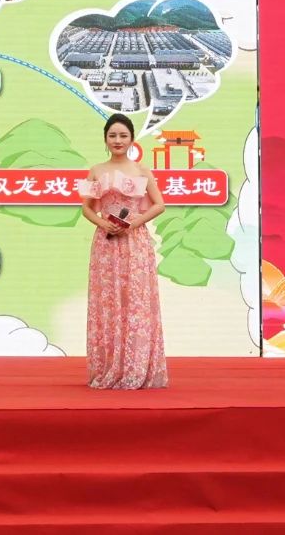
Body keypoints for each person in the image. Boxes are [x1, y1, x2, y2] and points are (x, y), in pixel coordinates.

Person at [77, 113, 168, 389]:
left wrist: (133, 223)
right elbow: (86, 208)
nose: (118, 140)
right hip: (105, 243)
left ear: (131, 139)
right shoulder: (96, 170)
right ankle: (109, 367)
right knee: (108, 302)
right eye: (113, 135)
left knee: (135, 301)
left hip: (135, 242)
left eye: (123, 135)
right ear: (106, 139)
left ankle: (136, 367)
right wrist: (103, 223)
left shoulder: (141, 170)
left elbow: (159, 204)